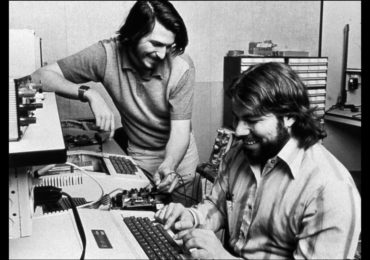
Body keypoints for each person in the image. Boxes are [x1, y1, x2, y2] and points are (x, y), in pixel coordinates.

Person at [155, 62, 361, 259]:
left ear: (289, 117)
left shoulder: (331, 190)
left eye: (252, 121)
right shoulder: (239, 153)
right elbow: (217, 206)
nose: (239, 131)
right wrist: (191, 217)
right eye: (237, 118)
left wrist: (222, 258)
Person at [31, 0, 200, 206]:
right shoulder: (106, 55)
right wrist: (89, 93)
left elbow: (181, 131)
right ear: (133, 34)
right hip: (140, 154)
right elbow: (39, 77)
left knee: (183, 225)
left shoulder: (182, 66)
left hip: (178, 159)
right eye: (156, 44)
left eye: (168, 46)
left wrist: (170, 164)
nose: (163, 54)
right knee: (145, 221)